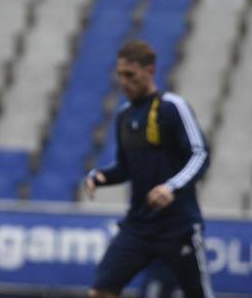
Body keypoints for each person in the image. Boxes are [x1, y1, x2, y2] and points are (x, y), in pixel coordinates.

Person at [84, 40, 214, 298]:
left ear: (150, 71)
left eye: (130, 75)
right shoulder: (124, 116)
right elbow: (125, 167)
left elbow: (200, 154)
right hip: (139, 226)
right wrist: (100, 177)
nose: (123, 82)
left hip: (178, 226)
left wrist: (171, 187)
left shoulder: (172, 106)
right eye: (120, 75)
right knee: (101, 290)